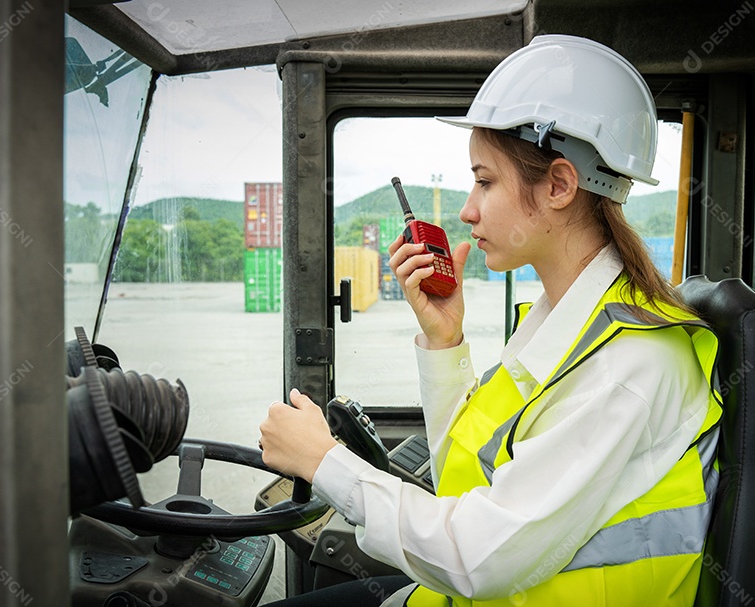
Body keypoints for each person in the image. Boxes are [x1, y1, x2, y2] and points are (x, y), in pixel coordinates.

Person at [259, 35, 723, 607]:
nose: (467, 209)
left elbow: (475, 559)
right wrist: (445, 339)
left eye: (485, 180)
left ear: (558, 185)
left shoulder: (628, 366)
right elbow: (467, 473)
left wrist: (323, 461)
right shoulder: (567, 321)